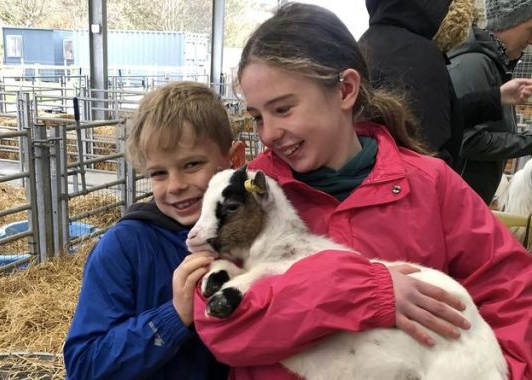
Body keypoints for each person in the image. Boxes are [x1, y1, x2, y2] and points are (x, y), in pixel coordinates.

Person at [193, 3, 532, 380]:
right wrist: (358, 291)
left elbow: (511, 291)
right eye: (258, 117)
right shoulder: (245, 197)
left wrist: (506, 371)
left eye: (283, 109)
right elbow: (221, 326)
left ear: (345, 90)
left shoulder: (430, 183)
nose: (268, 133)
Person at [63, 81, 245, 379]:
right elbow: (84, 364)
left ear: (234, 159)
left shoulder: (252, 234)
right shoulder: (124, 247)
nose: (175, 186)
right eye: (159, 173)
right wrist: (173, 316)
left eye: (192, 164)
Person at [359, 0, 532, 170]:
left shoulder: (373, 44)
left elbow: (438, 113)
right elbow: (433, 146)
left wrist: (496, 98)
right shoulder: (419, 54)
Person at [447, 0, 532, 204]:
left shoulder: (495, 67)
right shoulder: (476, 64)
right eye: (530, 30)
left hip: (467, 201)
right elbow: (467, 141)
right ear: (509, 21)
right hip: (457, 201)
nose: (531, 41)